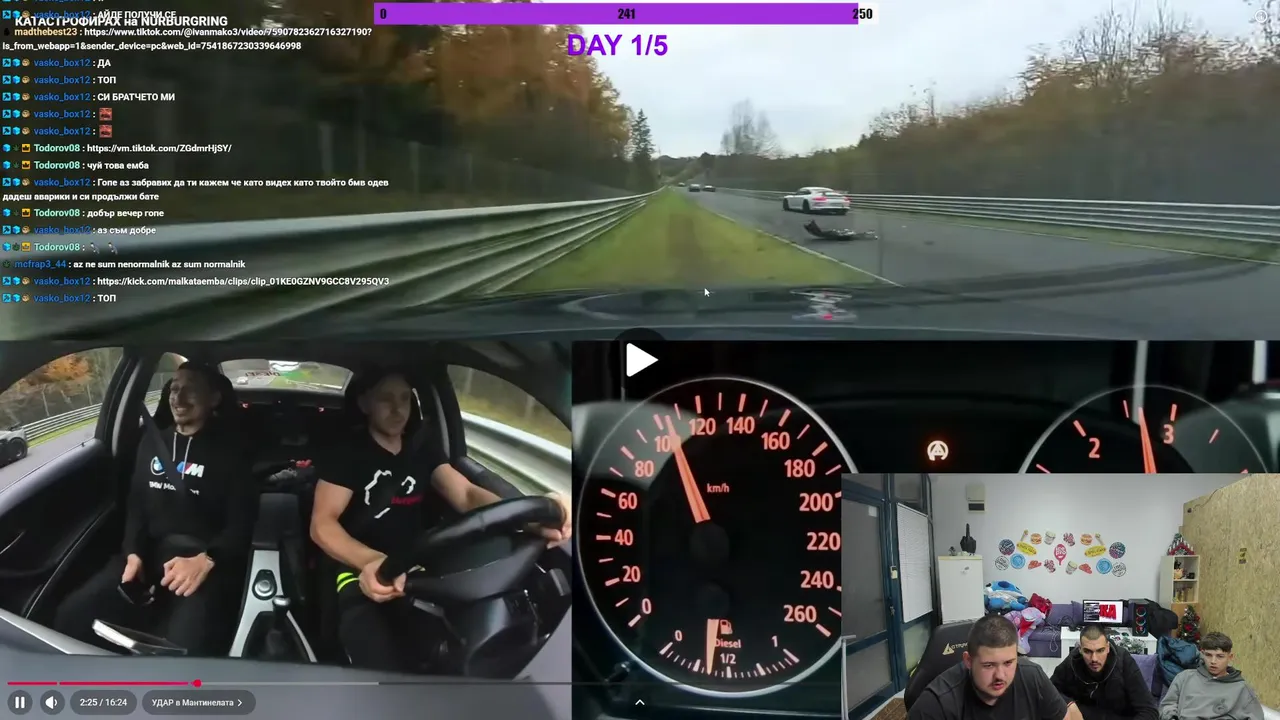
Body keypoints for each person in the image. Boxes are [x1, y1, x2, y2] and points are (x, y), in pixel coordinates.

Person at [309, 367, 572, 673]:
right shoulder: (347, 453)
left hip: (417, 562)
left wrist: (528, 517)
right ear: (365, 404)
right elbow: (322, 524)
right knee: (373, 653)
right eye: (386, 399)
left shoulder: (422, 449)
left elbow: (467, 495)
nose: (397, 409)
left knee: (450, 647)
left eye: (404, 399)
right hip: (357, 567)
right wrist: (372, 561)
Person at [53, 361, 257, 655]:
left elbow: (242, 522)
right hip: (150, 554)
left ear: (214, 399)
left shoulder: (232, 452)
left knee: (182, 650)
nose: (178, 398)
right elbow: (136, 507)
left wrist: (208, 559)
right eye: (174, 389)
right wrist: (133, 553)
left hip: (203, 559)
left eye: (190, 390)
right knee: (72, 615)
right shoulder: (151, 442)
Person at [910, 615, 1085, 720]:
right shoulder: (935, 705)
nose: (1000, 675)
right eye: (988, 665)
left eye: (1008, 663)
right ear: (968, 661)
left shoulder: (1032, 676)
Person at [1051, 626, 1157, 720]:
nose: (1094, 659)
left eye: (1100, 650)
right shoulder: (1072, 662)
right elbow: (1049, 692)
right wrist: (1069, 703)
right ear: (1080, 649)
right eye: (1087, 651)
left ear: (1108, 648)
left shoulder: (1124, 661)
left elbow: (1149, 711)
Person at [1158, 632, 1263, 720]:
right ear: (1202, 654)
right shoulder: (1184, 678)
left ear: (1230, 657)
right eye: (1208, 655)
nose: (1213, 661)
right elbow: (1167, 705)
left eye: (1220, 656)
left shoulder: (1242, 689)